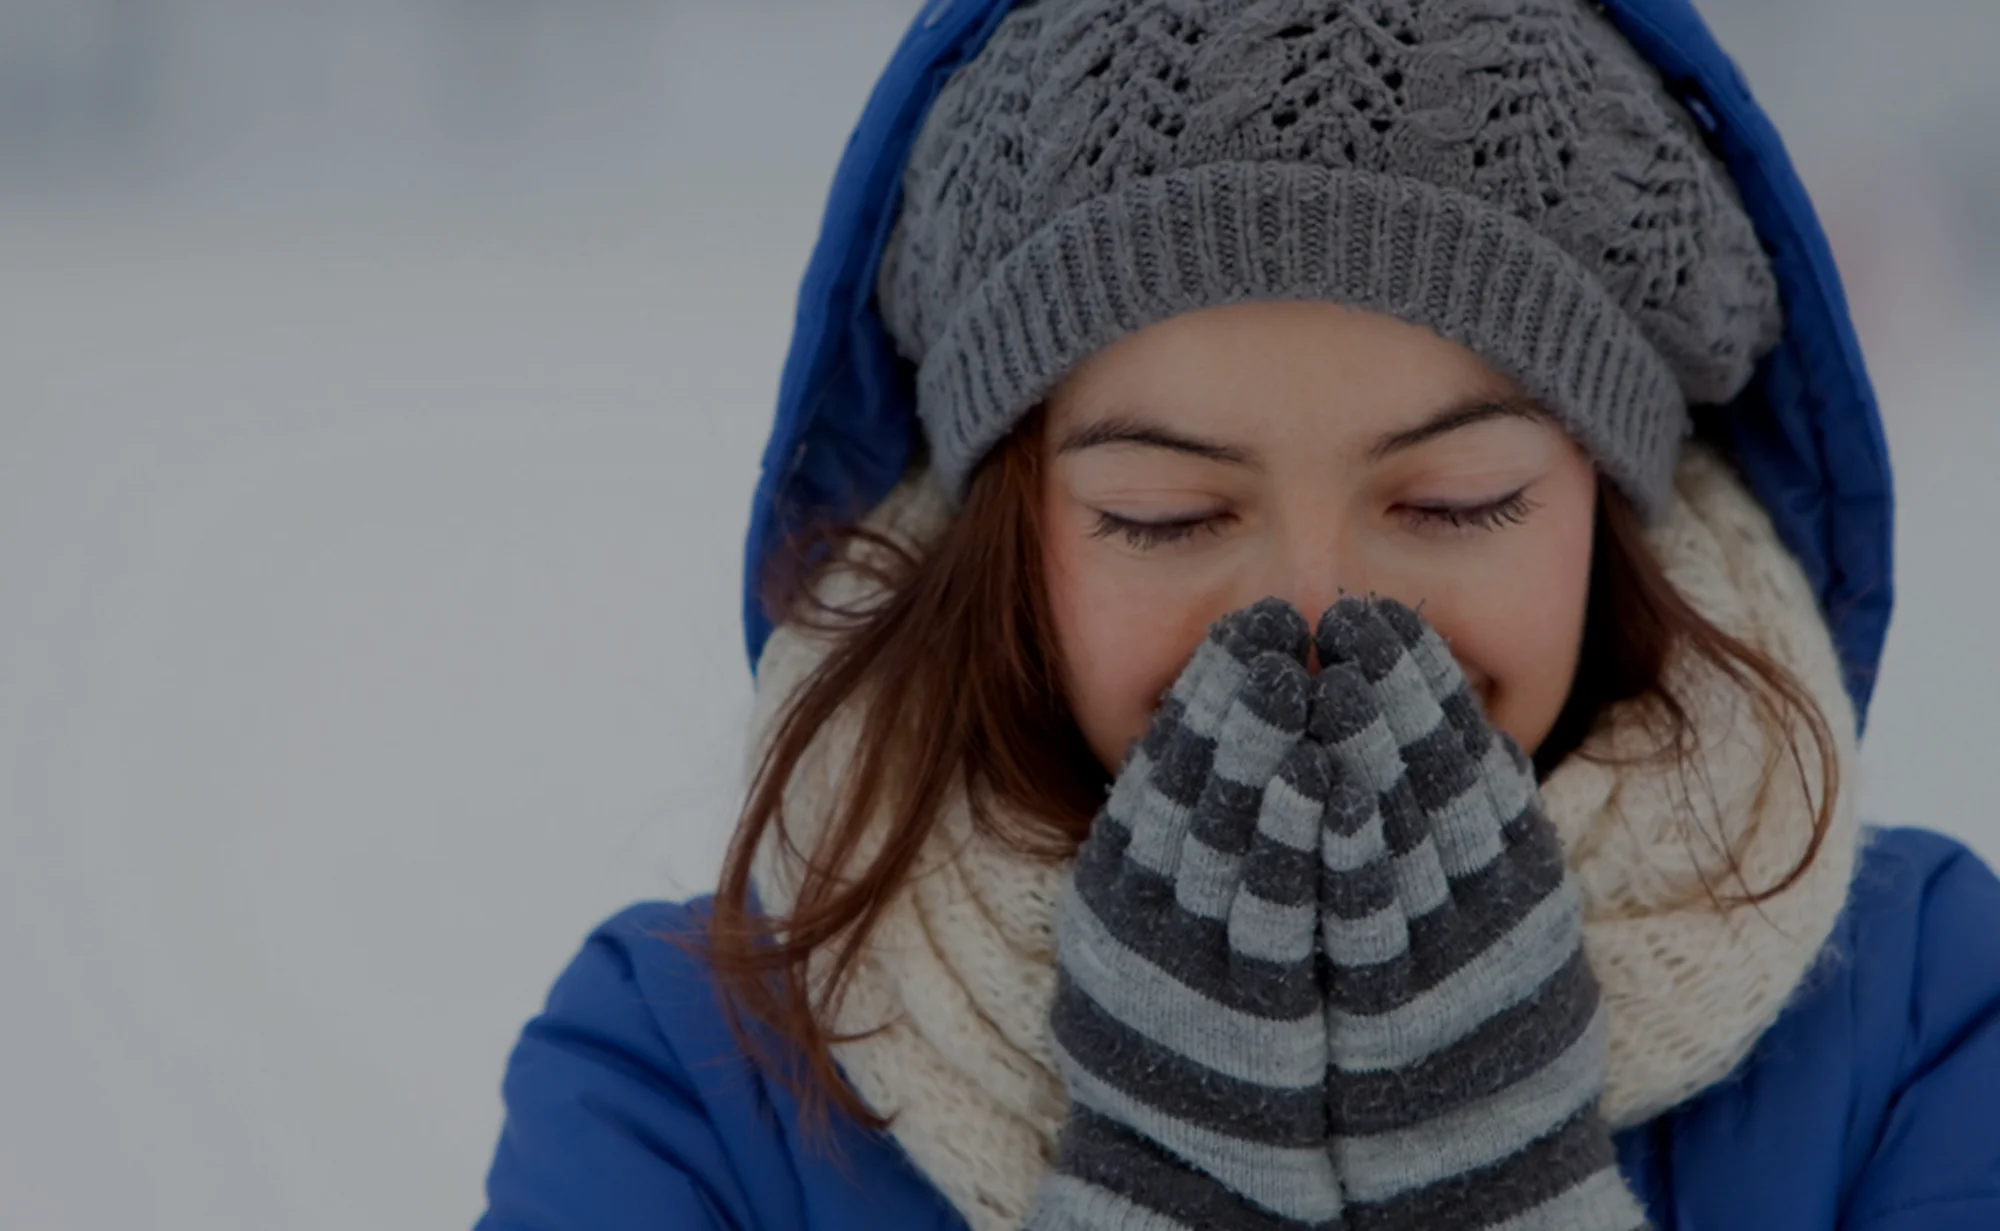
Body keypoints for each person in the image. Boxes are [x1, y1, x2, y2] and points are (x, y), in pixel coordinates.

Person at [476, 1, 2000, 1227]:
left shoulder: (1928, 1016)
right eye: (1169, 515)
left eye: (1458, 498)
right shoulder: (682, 1077)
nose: (1320, 617)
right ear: (1006, 537)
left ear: (1613, 502)